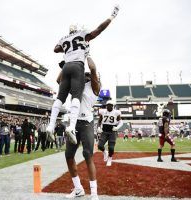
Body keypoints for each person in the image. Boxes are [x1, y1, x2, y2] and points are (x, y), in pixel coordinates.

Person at [47, 5, 120, 145]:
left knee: (60, 97)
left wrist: (66, 47)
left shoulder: (64, 38)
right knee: (76, 96)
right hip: (77, 66)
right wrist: (112, 16)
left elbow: (55, 49)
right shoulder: (82, 34)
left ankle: (50, 126)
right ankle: (71, 128)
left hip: (66, 66)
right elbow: (98, 30)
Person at [57, 56, 101, 200]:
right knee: (68, 156)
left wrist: (83, 54)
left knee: (88, 155)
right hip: (74, 123)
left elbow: (93, 68)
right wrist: (66, 65)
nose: (86, 77)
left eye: (87, 76)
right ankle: (78, 189)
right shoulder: (75, 85)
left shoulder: (95, 87)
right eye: (84, 75)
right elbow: (59, 81)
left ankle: (94, 192)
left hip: (87, 123)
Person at [97, 100, 123, 167]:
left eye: (110, 105)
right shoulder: (103, 112)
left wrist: (117, 128)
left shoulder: (116, 113)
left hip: (112, 131)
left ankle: (110, 158)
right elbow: (99, 121)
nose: (109, 106)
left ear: (113, 106)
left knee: (111, 148)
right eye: (108, 105)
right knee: (100, 146)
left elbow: (121, 122)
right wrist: (99, 127)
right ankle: (105, 152)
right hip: (104, 131)